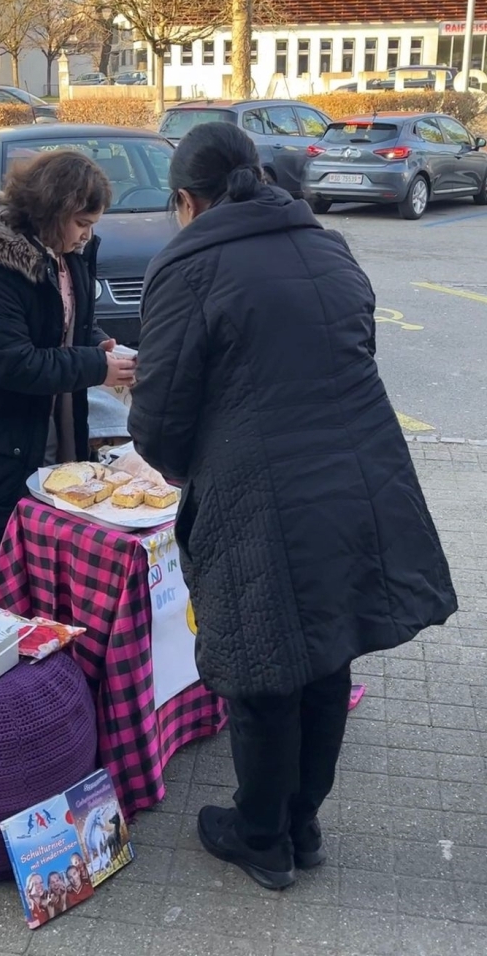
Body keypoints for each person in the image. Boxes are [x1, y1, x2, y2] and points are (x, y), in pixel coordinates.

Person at [128, 123, 457, 890]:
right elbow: (356, 348)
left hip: (259, 492)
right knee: (326, 655)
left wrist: (184, 470)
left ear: (187, 200)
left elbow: (160, 416)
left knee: (263, 666)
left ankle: (262, 835)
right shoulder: (326, 245)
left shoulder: (189, 263)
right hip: (360, 477)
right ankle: (302, 822)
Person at [0, 151, 136, 591]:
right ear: (53, 212)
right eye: (81, 223)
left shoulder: (66, 256)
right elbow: (13, 362)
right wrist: (96, 365)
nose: (87, 235)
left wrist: (98, 345)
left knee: (26, 555)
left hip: (39, 433)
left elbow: (68, 324)